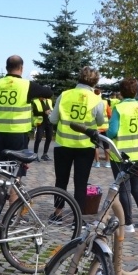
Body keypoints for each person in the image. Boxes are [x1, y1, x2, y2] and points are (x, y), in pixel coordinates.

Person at [50, 66, 107, 216]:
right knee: (81, 183)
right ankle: (78, 216)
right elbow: (100, 121)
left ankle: (58, 212)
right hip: (85, 146)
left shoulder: (65, 95)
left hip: (63, 144)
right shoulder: (96, 99)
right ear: (95, 82)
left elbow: (53, 119)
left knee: (61, 180)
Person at [0, 55, 52, 171]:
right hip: (17, 134)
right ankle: (13, 188)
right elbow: (48, 93)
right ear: (21, 68)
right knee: (16, 170)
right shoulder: (27, 85)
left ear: (6, 68)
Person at [107, 77, 138, 232]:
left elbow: (112, 131)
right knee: (137, 188)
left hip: (121, 155)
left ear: (121, 92)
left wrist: (105, 133)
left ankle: (128, 224)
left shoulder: (119, 108)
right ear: (136, 91)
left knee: (124, 189)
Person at [92, 86, 112, 168]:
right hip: (105, 127)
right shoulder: (105, 102)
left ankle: (97, 163)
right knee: (106, 146)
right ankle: (107, 163)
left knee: (95, 146)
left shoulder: (92, 102)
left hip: (95, 127)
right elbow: (110, 114)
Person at [32, 96, 54, 161]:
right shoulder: (36, 101)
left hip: (49, 122)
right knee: (38, 139)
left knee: (49, 138)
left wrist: (51, 112)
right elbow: (35, 112)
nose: (44, 97)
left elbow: (51, 109)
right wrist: (44, 112)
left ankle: (45, 154)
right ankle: (35, 155)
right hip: (41, 123)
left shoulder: (49, 101)